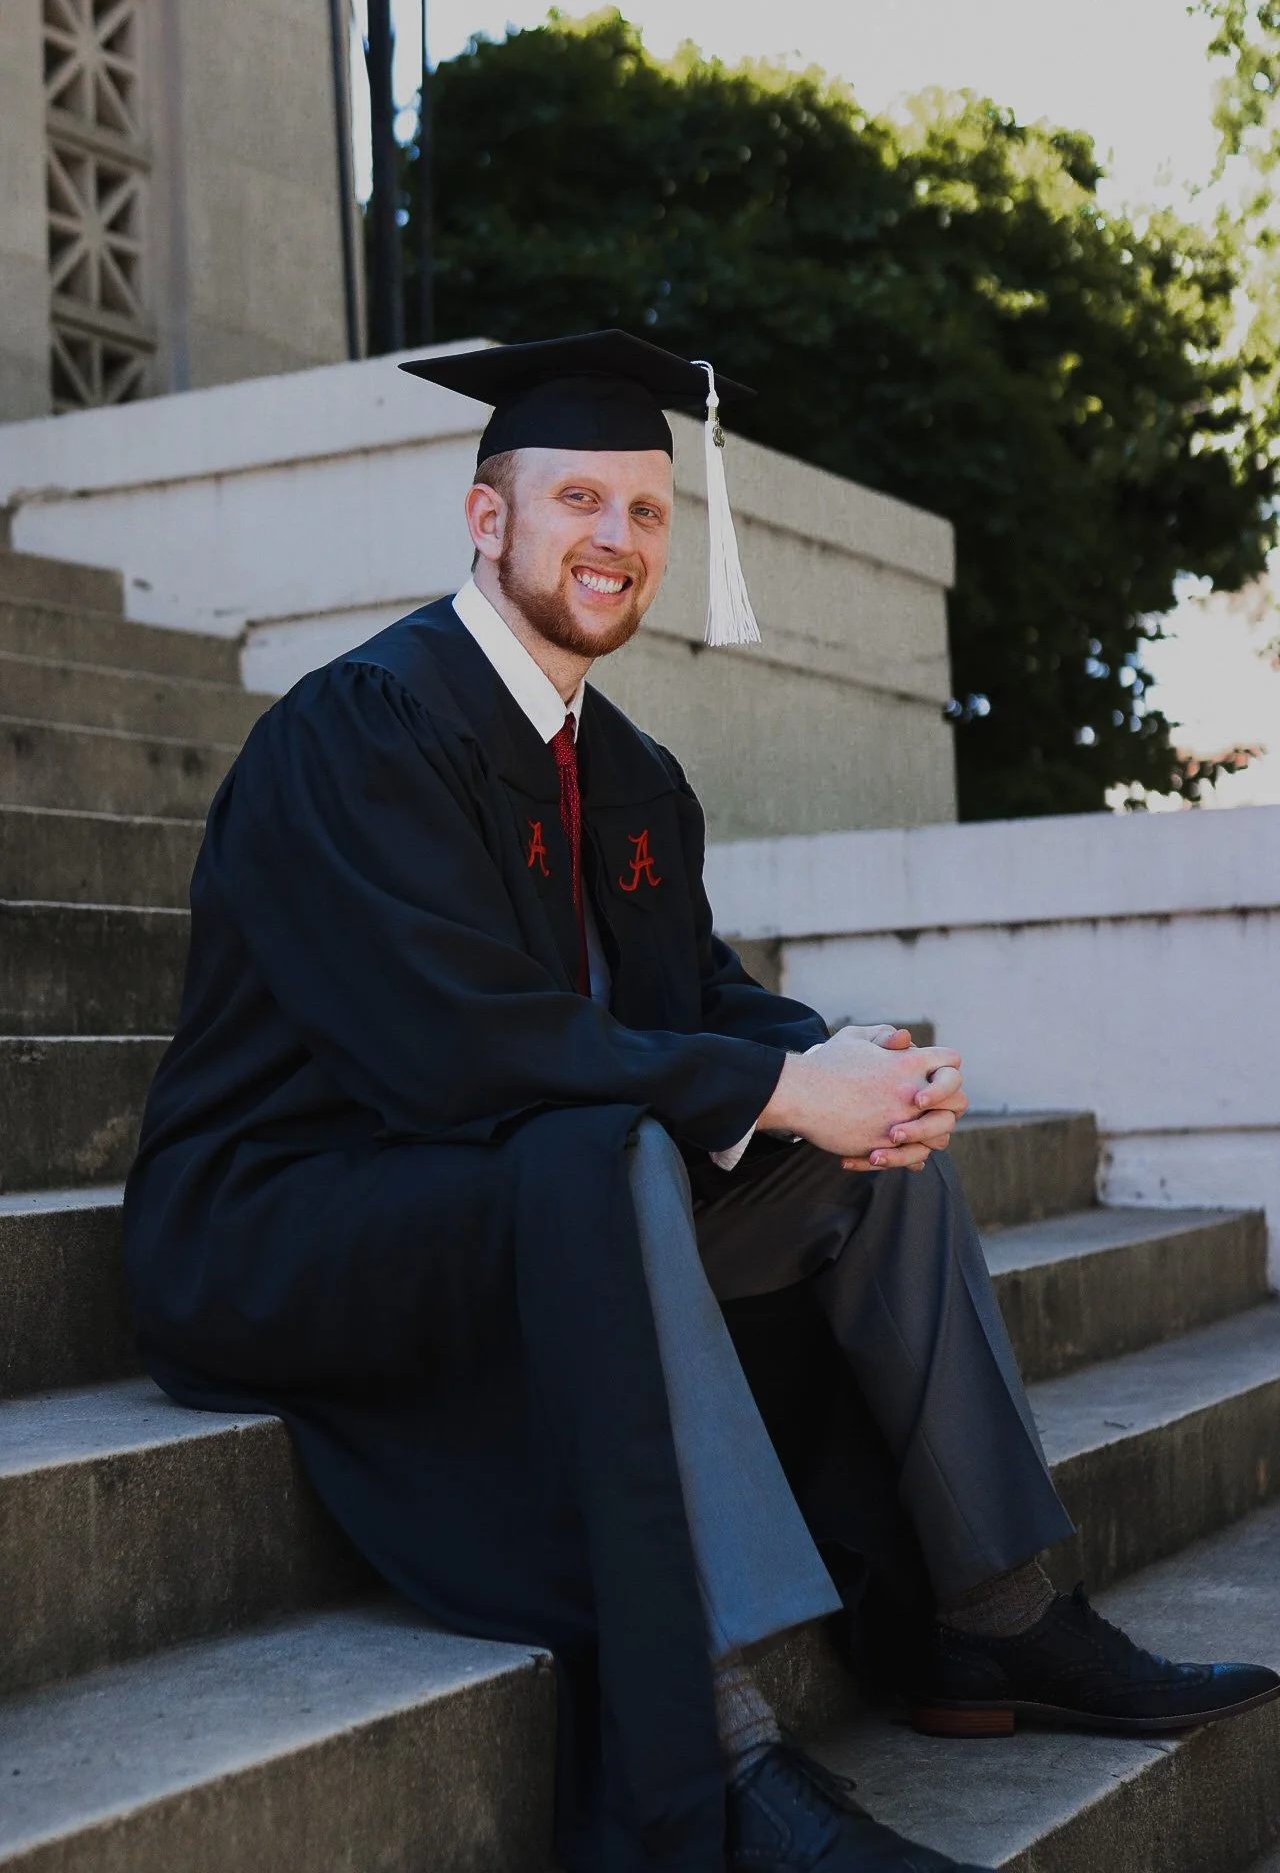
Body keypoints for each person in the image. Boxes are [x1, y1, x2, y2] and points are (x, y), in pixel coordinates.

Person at [123, 332, 1279, 1873]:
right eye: (579, 501)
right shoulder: (358, 733)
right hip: (291, 1217)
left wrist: (838, 1062)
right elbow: (450, 1051)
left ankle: (997, 1614)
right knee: (599, 1159)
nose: (617, 540)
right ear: (488, 519)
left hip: (525, 1182)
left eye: (647, 512)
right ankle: (719, 1749)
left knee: (882, 1166)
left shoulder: (633, 770)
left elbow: (698, 1005)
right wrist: (773, 1083)